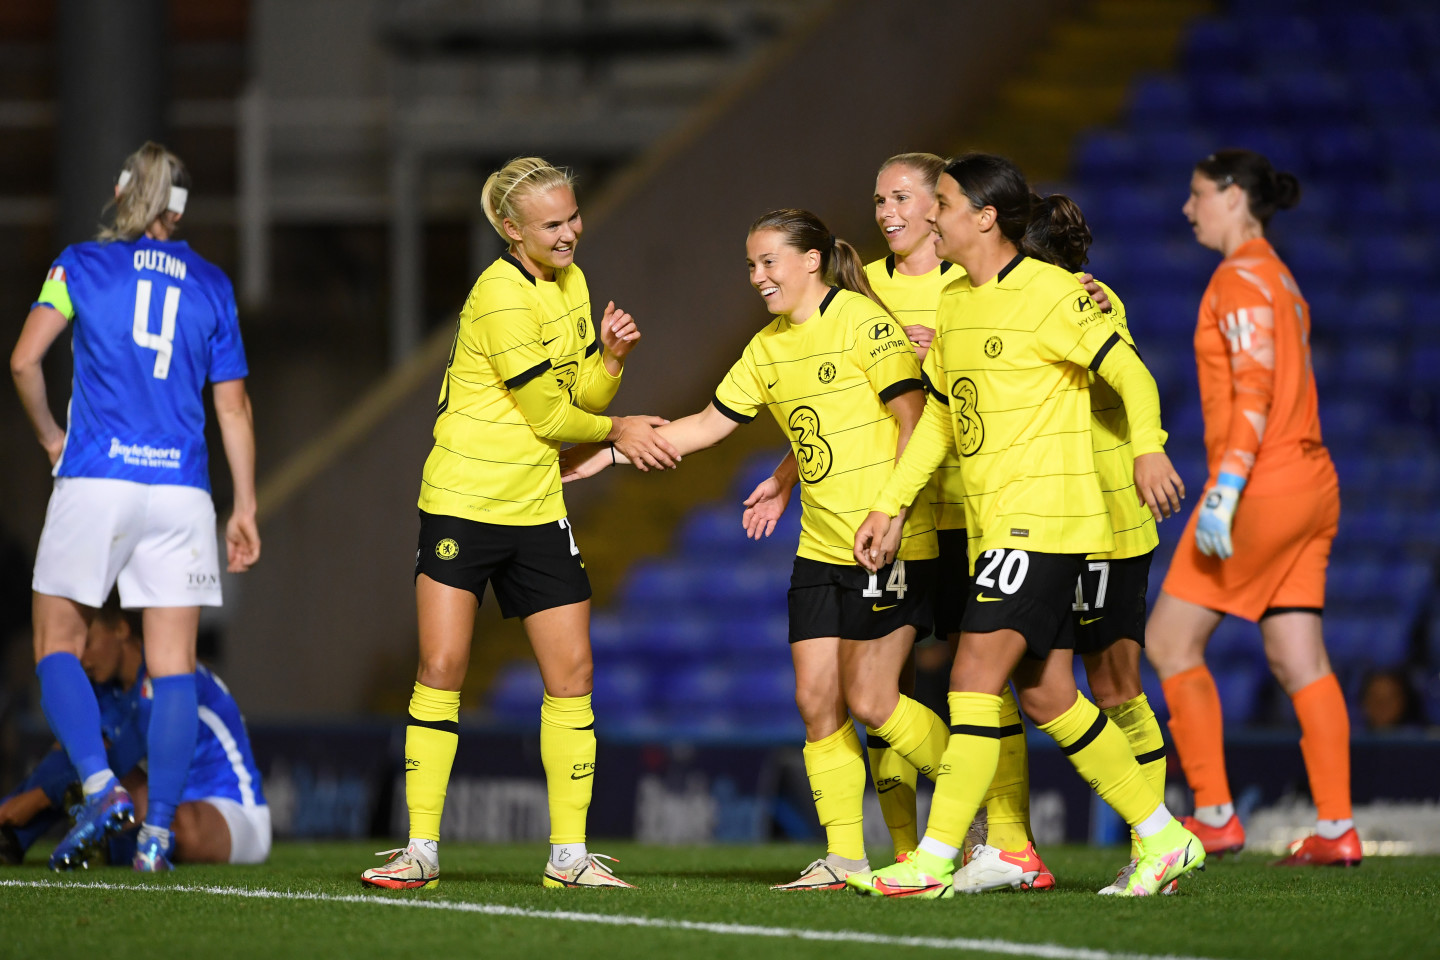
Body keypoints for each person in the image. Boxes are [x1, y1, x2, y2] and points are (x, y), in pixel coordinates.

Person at [846, 153, 1202, 899]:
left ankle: (936, 857)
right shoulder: (957, 304)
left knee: (974, 679)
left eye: (940, 202)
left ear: (983, 216)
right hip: (992, 525)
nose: (929, 217)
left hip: (1048, 519)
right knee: (1044, 696)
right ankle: (1165, 837)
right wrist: (892, 503)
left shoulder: (1053, 293)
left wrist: (1147, 451)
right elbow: (941, 420)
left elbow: (1130, 373)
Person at [562, 208, 951, 891]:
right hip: (821, 548)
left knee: (871, 700)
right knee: (815, 701)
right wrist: (615, 445)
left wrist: (892, 513)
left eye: (769, 261)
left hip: (886, 542)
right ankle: (844, 859)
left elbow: (914, 422)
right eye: (750, 265)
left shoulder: (865, 322)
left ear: (810, 261)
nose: (758, 276)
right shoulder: (767, 348)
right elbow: (707, 427)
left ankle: (975, 805)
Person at [361, 156, 676, 891]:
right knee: (442, 668)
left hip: (536, 503)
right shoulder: (499, 296)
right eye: (552, 224)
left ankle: (569, 857)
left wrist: (614, 360)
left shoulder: (571, 281)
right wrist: (619, 429)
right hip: (464, 502)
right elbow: (549, 416)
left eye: (573, 217)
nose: (570, 233)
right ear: (510, 230)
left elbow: (578, 391)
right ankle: (420, 849)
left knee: (573, 674)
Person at [10, 141, 260, 872]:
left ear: (124, 196)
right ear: (177, 213)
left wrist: (52, 435)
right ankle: (155, 839)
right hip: (182, 491)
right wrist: (243, 504)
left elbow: (25, 360)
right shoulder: (212, 285)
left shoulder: (79, 266)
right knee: (174, 664)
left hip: (97, 477)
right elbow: (235, 408)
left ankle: (101, 788)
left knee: (57, 639)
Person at [952, 194, 1176, 896]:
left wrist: (1149, 449)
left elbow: (1125, 376)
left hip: (1106, 515)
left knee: (1113, 686)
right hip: (1046, 519)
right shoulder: (998, 299)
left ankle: (1154, 843)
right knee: (1031, 684)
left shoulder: (1082, 298)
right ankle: (1014, 846)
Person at [1145, 150, 1356, 867]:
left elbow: (1256, 389)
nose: (1188, 208)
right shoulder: (1281, 278)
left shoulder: (1236, 279)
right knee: (1299, 656)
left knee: (1170, 642)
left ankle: (1213, 814)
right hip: (1314, 482)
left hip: (1261, 483)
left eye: (1197, 193)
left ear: (1234, 197)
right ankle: (1336, 828)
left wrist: (1228, 488)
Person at [0, 598, 270, 867]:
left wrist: (36, 800)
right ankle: (10, 840)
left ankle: (111, 846)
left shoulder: (169, 678)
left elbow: (122, 757)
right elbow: (66, 759)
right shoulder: (104, 687)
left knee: (177, 825)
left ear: (120, 628)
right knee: (73, 757)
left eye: (89, 643)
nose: (81, 657)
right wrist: (12, 808)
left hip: (232, 809)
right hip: (158, 802)